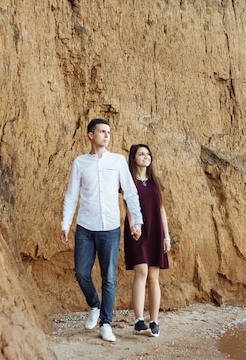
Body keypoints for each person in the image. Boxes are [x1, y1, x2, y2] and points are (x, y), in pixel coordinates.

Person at [61, 118, 144, 342]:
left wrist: (137, 222)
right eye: (101, 132)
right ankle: (94, 306)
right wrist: (65, 224)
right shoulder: (79, 163)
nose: (106, 135)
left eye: (108, 132)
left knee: (109, 278)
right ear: (91, 135)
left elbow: (130, 193)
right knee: (81, 272)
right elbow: (71, 196)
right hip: (85, 227)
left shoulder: (117, 161)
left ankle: (106, 323)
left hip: (110, 227)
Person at [124, 144, 171, 338]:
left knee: (154, 277)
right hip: (137, 229)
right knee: (141, 271)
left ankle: (154, 321)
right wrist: (133, 226)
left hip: (156, 231)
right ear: (134, 158)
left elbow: (161, 210)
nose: (146, 157)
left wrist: (166, 236)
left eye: (148, 154)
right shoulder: (128, 181)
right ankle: (138, 321)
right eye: (141, 154)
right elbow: (127, 205)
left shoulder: (155, 182)